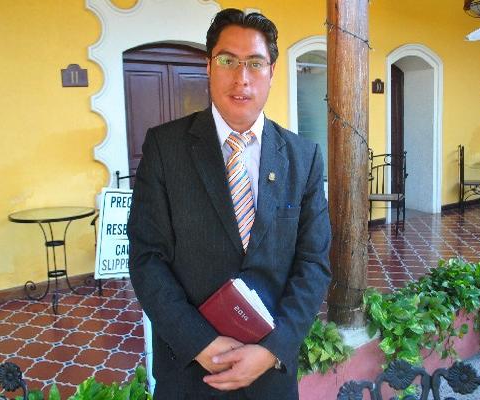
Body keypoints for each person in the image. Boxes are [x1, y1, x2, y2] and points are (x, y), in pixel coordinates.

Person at [127, 8, 331, 400]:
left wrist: (273, 349)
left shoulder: (303, 157)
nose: (242, 78)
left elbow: (314, 263)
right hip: (190, 374)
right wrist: (199, 342)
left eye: (255, 63)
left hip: (270, 376)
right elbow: (147, 257)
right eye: (227, 61)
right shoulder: (165, 148)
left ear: (271, 71)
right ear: (208, 66)